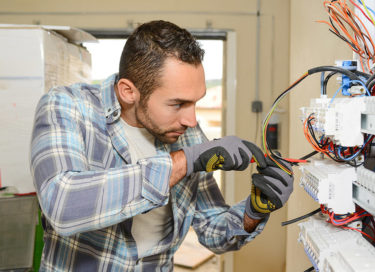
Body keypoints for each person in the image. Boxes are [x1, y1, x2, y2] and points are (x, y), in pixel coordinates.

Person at [30, 20, 294, 271]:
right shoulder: (67, 107)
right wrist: (184, 161)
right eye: (177, 104)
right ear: (128, 92)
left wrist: (255, 210)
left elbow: (213, 231)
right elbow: (61, 204)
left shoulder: (187, 134)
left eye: (195, 102)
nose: (191, 120)